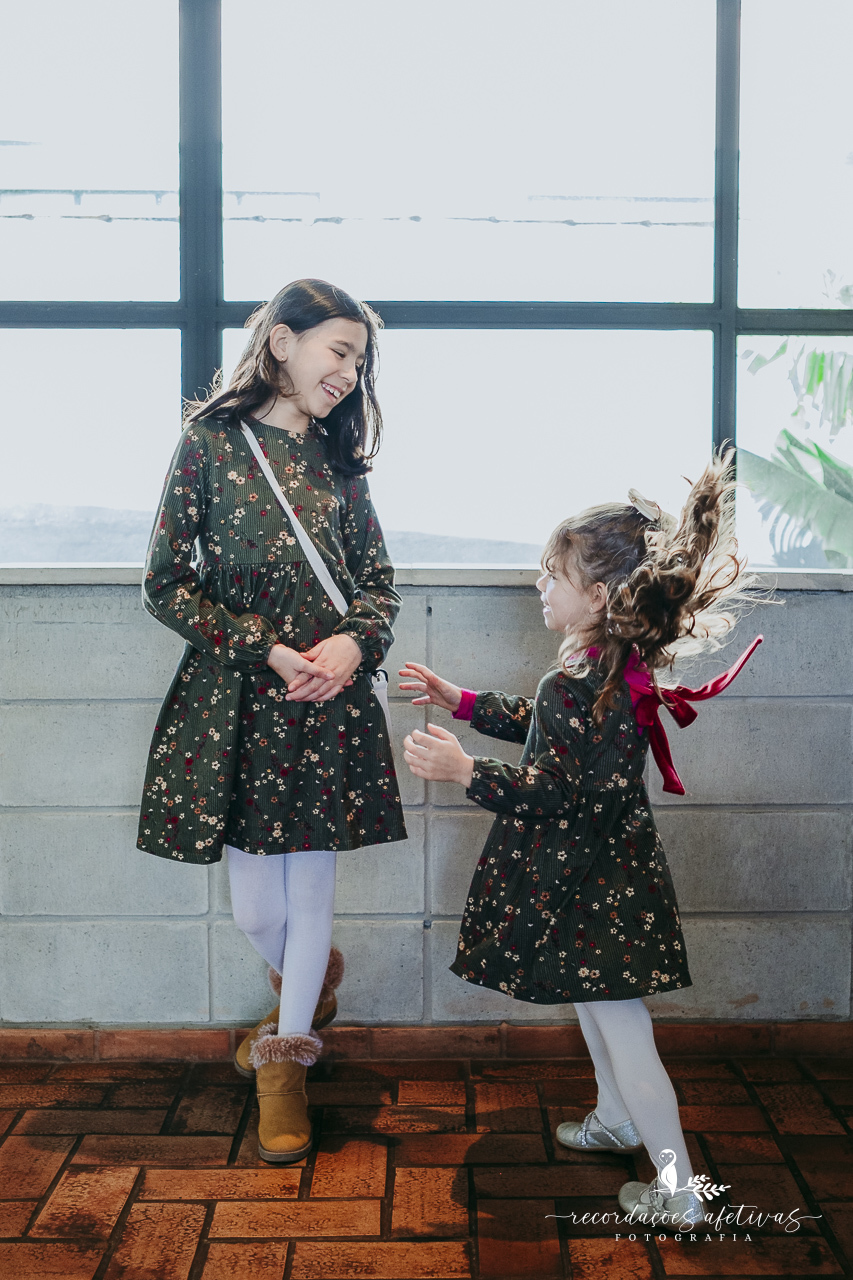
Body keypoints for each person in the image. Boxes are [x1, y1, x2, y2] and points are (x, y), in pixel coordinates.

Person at [399, 453, 760, 1229]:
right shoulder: (606, 666)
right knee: (599, 1008)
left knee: (622, 1025)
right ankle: (615, 1121)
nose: (538, 585)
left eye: (549, 574)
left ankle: (682, 1194)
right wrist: (459, 699)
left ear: (596, 595)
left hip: (588, 884)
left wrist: (467, 772)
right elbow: (549, 736)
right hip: (606, 879)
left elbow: (555, 789)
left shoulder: (578, 679)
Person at [137, 278, 406, 1162]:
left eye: (358, 361)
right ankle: (307, 982)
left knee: (312, 886)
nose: (347, 373)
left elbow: (377, 584)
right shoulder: (209, 444)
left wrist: (350, 648)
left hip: (327, 702)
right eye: (338, 351)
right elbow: (166, 582)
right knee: (257, 905)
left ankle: (285, 1060)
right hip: (240, 700)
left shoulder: (340, 463)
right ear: (282, 342)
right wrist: (266, 647)